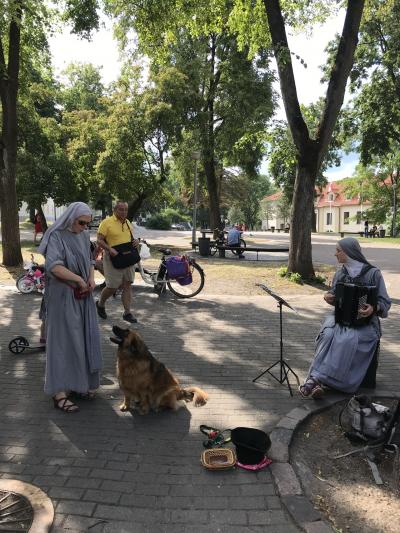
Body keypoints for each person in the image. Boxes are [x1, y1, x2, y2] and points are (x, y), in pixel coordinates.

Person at [299, 238, 391, 399]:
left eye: (338, 250)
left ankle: (318, 380)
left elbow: (385, 302)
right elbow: (334, 294)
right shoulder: (340, 273)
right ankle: (319, 381)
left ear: (349, 252)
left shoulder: (373, 274)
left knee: (347, 340)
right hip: (340, 318)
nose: (335, 254)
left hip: (365, 324)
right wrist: (328, 297)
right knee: (327, 335)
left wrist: (373, 308)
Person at [38, 202, 102, 413]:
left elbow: (90, 261)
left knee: (81, 339)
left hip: (82, 295)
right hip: (63, 296)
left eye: (88, 224)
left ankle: (78, 384)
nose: (84, 227)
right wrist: (78, 280)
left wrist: (90, 279)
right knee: (62, 342)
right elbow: (54, 266)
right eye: (81, 223)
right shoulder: (55, 235)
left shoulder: (83, 235)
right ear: (71, 218)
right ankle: (59, 393)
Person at [96, 200, 139, 323]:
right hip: (112, 258)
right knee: (112, 287)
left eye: (126, 209)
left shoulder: (128, 222)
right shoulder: (106, 223)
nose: (124, 212)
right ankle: (100, 304)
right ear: (114, 210)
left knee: (127, 284)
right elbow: (99, 240)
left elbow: (129, 238)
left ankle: (127, 312)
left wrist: (135, 241)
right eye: (121, 209)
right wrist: (109, 249)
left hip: (128, 258)